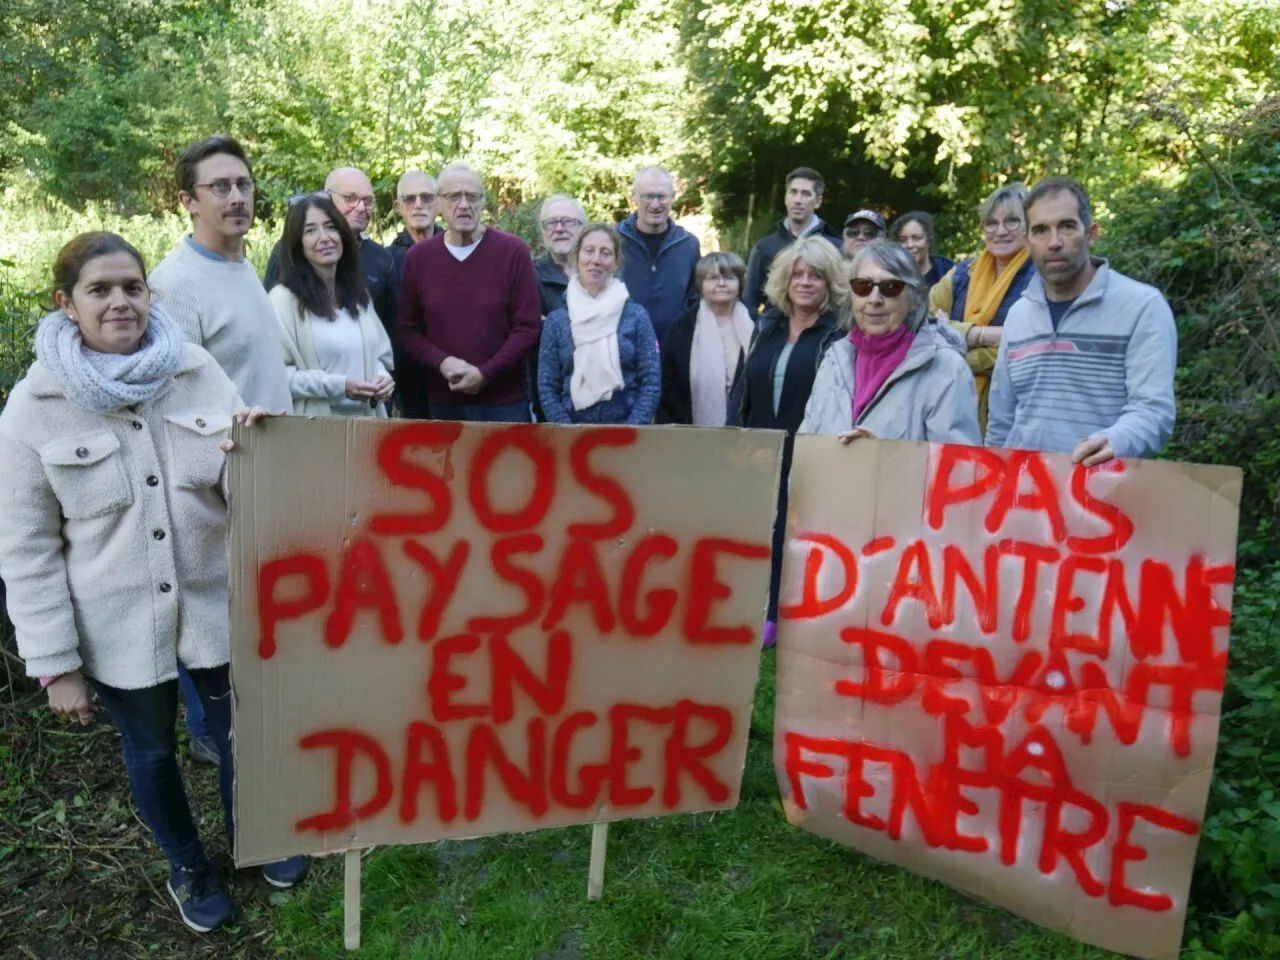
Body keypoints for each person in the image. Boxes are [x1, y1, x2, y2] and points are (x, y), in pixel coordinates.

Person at [0, 233, 307, 935]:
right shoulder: (33, 407)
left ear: (150, 294)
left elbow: (244, 491)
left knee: (241, 733)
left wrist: (258, 449)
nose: (119, 302)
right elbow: (25, 549)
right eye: (100, 290)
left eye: (131, 288)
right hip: (114, 625)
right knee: (153, 751)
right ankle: (188, 865)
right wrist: (55, 665)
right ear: (66, 304)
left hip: (215, 604)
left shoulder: (196, 371)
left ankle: (256, 840)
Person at [148, 134, 291, 765]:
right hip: (222, 480)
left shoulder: (241, 267)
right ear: (188, 201)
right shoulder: (176, 284)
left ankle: (248, 722)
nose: (236, 197)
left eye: (244, 184)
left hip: (270, 467)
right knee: (215, 615)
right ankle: (213, 734)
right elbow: (173, 404)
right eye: (220, 187)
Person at [987, 177, 1177, 463]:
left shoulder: (1143, 307)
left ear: (1091, 233)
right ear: (1027, 242)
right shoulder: (1019, 315)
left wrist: (1113, 441)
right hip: (1024, 494)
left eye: (1067, 226)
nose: (1054, 242)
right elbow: (1001, 419)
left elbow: (1153, 412)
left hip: (1102, 494)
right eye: (1040, 230)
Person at [729, 236, 849, 649]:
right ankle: (753, 603)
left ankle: (782, 614)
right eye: (798, 273)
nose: (805, 282)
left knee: (796, 530)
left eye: (816, 275)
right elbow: (742, 386)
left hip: (811, 451)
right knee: (759, 526)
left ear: (830, 281)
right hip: (761, 446)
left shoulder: (838, 333)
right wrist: (736, 435)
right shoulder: (768, 325)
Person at [397, 162, 541, 422]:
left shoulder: (512, 252)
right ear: (438, 204)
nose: (464, 205)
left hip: (505, 404)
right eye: (454, 196)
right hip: (443, 403)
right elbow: (408, 331)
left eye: (472, 196)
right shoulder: (418, 259)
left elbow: (528, 328)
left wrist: (486, 374)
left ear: (483, 202)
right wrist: (442, 362)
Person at [799, 242, 980, 444]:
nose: (874, 299)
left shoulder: (947, 369)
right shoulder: (834, 359)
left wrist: (889, 459)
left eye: (890, 287)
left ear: (914, 299)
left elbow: (958, 469)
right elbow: (805, 450)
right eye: (863, 286)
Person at [268, 193, 395, 417]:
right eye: (310, 230)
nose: (324, 237)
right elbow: (275, 376)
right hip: (318, 434)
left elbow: (377, 355)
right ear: (297, 243)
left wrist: (381, 377)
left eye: (330, 227)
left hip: (367, 429)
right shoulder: (282, 300)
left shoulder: (358, 294)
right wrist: (340, 386)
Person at [928, 182, 1036, 434]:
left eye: (1011, 221)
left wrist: (952, 343)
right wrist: (981, 334)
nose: (1000, 231)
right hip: (950, 408)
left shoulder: (1040, 278)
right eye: (991, 222)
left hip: (1013, 417)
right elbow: (922, 324)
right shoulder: (962, 273)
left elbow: (1025, 347)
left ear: (1028, 226)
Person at [537, 224, 660, 425]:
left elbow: (651, 382)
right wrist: (567, 431)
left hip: (628, 437)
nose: (596, 260)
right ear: (577, 257)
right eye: (589, 251)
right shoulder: (557, 321)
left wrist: (631, 429)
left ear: (616, 263)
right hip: (572, 438)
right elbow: (547, 386)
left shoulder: (636, 316)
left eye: (605, 253)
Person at [264, 167, 399, 346]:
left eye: (367, 201)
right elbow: (272, 331)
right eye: (350, 198)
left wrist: (382, 369)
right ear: (326, 198)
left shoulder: (381, 258)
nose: (360, 208)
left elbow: (392, 330)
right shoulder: (288, 251)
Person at [659, 251, 754, 426]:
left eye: (730, 278)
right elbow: (668, 382)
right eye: (712, 278)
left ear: (740, 283)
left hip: (748, 429)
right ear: (700, 284)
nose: (721, 284)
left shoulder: (757, 324)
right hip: (691, 429)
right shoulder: (682, 326)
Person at [617, 166, 701, 342]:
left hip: (674, 348)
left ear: (672, 197)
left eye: (661, 196)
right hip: (624, 347)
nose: (655, 205)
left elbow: (696, 299)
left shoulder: (688, 245)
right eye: (648, 196)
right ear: (635, 197)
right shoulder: (614, 240)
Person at [744, 167, 841, 314]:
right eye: (793, 192)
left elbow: (842, 300)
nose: (798, 200)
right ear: (785, 198)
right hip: (774, 332)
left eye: (806, 194)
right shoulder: (764, 248)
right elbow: (749, 304)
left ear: (818, 202)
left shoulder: (834, 248)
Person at [533, 194, 587, 316]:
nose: (559, 229)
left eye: (568, 221)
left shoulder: (602, 269)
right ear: (543, 233)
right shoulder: (531, 277)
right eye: (551, 223)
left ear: (583, 229)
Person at [387, 170, 441, 277]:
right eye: (409, 199)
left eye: (426, 197)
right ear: (398, 207)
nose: (418, 205)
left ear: (439, 204)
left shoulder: (456, 250)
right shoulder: (387, 261)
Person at [890, 211, 954, 287]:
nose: (910, 245)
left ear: (929, 241)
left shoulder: (949, 273)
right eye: (903, 240)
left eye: (917, 238)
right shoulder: (890, 277)